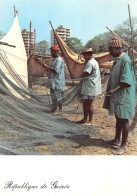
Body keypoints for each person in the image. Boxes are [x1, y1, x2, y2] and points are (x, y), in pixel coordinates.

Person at [103, 37, 136, 155]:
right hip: (118, 94)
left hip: (124, 94)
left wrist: (114, 90)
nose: (110, 52)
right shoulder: (117, 60)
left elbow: (126, 81)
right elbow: (118, 73)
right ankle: (117, 140)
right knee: (119, 117)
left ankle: (123, 146)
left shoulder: (125, 60)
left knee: (124, 119)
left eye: (110, 49)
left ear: (117, 48)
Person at [77, 48, 102, 125]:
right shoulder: (94, 62)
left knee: (89, 103)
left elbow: (86, 73)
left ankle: (89, 121)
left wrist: (79, 78)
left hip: (90, 87)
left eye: (84, 55)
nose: (84, 57)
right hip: (90, 86)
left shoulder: (90, 63)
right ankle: (85, 119)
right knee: (85, 103)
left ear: (89, 55)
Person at [43, 45, 66, 115]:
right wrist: (48, 69)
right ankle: (54, 108)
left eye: (51, 52)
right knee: (53, 96)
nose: (51, 53)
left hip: (58, 81)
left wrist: (47, 67)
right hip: (54, 81)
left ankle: (60, 110)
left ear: (55, 52)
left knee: (58, 96)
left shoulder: (59, 60)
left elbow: (56, 70)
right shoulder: (55, 60)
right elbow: (53, 70)